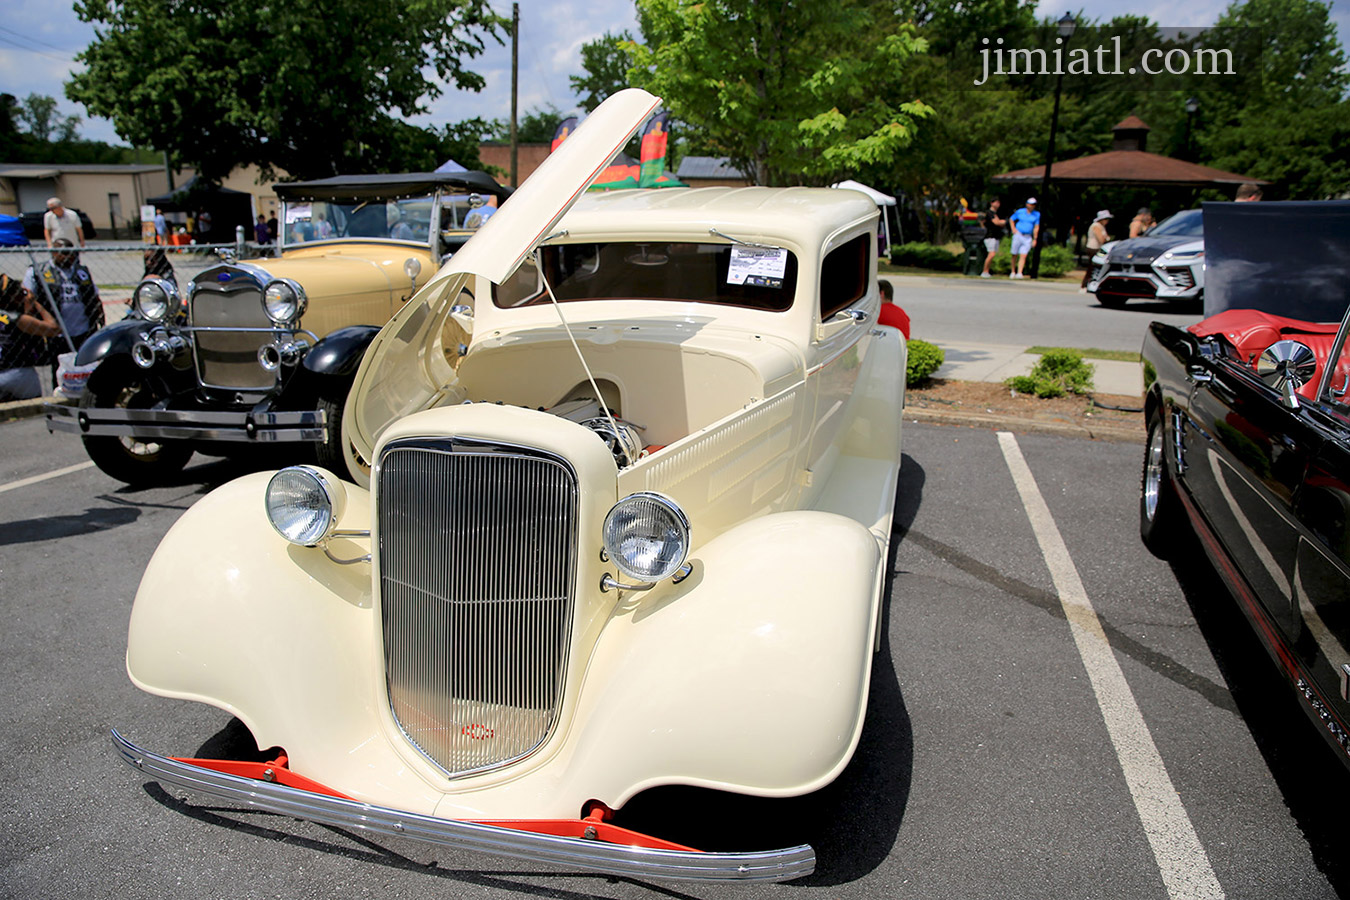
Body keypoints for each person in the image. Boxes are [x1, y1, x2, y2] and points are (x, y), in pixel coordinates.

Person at [22, 239, 105, 379]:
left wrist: (100, 316)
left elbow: (94, 296)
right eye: (64, 253)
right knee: (61, 370)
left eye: (71, 254)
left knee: (87, 367)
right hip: (57, 333)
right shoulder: (38, 271)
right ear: (53, 253)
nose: (68, 257)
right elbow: (28, 297)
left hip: (83, 329)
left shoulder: (81, 271)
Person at [0, 272, 58, 401]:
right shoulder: (16, 318)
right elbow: (53, 329)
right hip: (18, 374)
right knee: (33, 410)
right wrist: (35, 302)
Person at [1008, 197, 1040, 279]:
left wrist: (1035, 238)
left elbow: (1036, 227)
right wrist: (1013, 229)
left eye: (1033, 204)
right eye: (1030, 204)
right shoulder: (1020, 212)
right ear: (1027, 204)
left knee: (1023, 255)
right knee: (1014, 254)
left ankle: (1019, 272)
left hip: (1027, 236)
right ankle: (1012, 271)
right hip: (1018, 234)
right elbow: (1011, 219)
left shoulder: (1036, 214)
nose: (1031, 206)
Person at [1081, 210, 1112, 290]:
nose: (1107, 221)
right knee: (1092, 267)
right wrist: (1106, 238)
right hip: (1094, 248)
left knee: (1096, 266)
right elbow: (1101, 239)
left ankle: (1091, 283)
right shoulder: (1096, 226)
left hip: (1098, 248)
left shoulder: (1101, 226)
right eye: (1106, 219)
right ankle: (1085, 284)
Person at [980, 198, 1006, 278]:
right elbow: (997, 222)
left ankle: (987, 271)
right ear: (992, 203)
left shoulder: (997, 213)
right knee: (991, 254)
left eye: (999, 202)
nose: (998, 204)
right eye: (996, 202)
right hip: (990, 236)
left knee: (993, 254)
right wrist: (1000, 222)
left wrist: (1001, 222)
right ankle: (984, 271)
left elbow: (1003, 222)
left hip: (996, 236)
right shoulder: (989, 213)